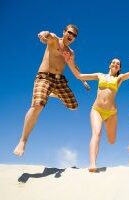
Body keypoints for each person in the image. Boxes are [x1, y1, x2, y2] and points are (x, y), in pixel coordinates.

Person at [13, 24, 89, 156]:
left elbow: (74, 66)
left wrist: (83, 80)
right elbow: (47, 35)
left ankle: (53, 93)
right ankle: (23, 140)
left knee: (74, 106)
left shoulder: (71, 52)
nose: (71, 36)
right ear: (64, 32)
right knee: (38, 105)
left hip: (60, 81)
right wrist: (44, 34)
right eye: (70, 33)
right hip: (45, 78)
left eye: (74, 35)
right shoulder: (54, 40)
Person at [71, 50, 129, 172]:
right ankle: (92, 164)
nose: (115, 64)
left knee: (112, 140)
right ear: (109, 65)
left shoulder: (120, 78)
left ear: (119, 68)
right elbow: (79, 76)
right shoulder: (99, 75)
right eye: (113, 62)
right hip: (97, 110)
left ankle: (113, 140)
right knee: (96, 133)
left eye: (118, 64)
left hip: (112, 113)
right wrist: (69, 62)